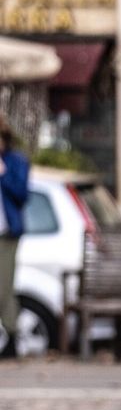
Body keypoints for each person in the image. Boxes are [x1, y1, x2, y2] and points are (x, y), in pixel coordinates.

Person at [0, 115, 31, 357]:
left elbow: (22, 194)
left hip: (6, 234)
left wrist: (3, 173)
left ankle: (11, 336)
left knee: (4, 287)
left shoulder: (16, 162)